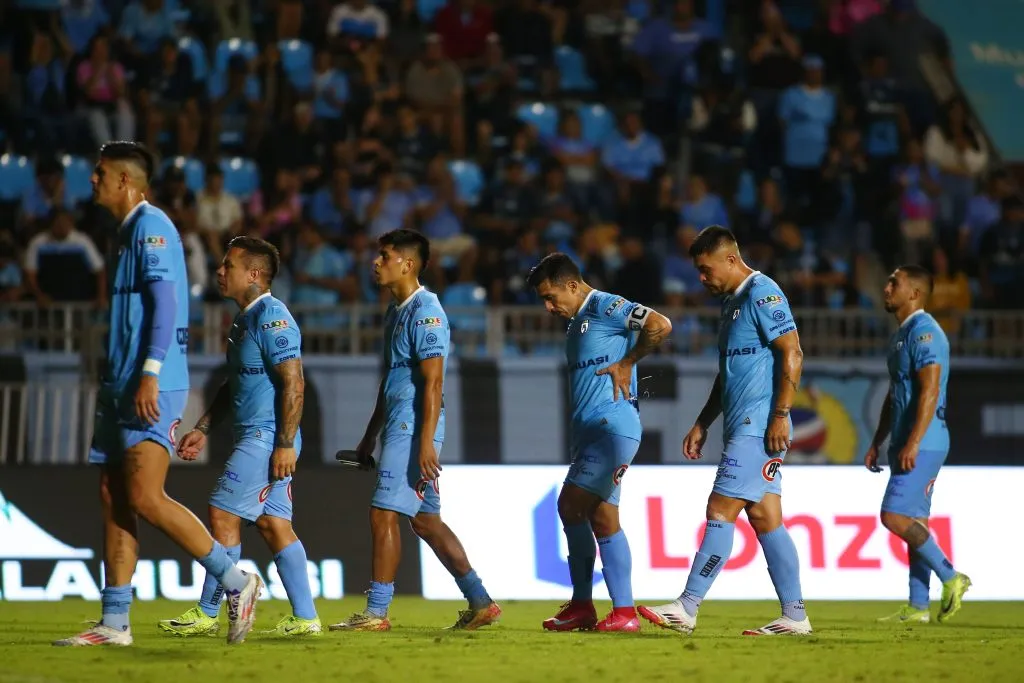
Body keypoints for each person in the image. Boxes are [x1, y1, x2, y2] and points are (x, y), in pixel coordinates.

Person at [54, 142, 261, 647]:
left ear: (126, 180)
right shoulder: (123, 234)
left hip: (152, 382)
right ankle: (116, 622)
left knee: (146, 495)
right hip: (119, 383)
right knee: (114, 496)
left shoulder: (152, 226)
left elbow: (167, 302)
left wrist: (149, 372)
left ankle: (237, 581)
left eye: (101, 173)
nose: (93, 180)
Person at [638, 225, 811, 636]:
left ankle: (687, 606)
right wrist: (702, 422)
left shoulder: (762, 293)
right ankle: (795, 616)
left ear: (731, 260)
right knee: (766, 518)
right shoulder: (731, 305)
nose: (701, 278)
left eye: (705, 268)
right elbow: (727, 375)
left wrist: (782, 413)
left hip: (758, 425)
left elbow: (793, 352)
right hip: (743, 424)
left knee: (719, 511)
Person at [329, 229, 501, 631]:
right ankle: (480, 602)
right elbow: (391, 379)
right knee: (425, 521)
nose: (376, 262)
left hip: (413, 428)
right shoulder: (396, 311)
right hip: (399, 425)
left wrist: (425, 443)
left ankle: (376, 613)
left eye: (384, 255)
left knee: (382, 512)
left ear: (407, 263)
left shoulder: (427, 311)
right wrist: (370, 435)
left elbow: (433, 383)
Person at [158, 236, 322, 637]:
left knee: (222, 513)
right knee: (273, 526)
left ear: (253, 274)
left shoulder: (273, 317)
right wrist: (202, 428)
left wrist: (284, 443)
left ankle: (210, 611)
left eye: (228, 265)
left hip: (268, 438)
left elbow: (294, 383)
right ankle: (306, 618)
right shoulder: (242, 319)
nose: (219, 270)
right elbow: (234, 386)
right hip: (258, 435)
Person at [528, 253, 673, 632]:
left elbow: (660, 325)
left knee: (570, 506)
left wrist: (628, 362)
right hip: (592, 432)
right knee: (603, 518)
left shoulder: (606, 306)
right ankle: (622, 613)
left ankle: (582, 605)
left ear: (573, 285)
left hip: (613, 427)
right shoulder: (577, 322)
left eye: (551, 296)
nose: (548, 307)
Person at [867, 265, 971, 623]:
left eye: (894, 282)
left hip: (924, 442)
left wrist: (912, 442)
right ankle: (917, 606)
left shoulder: (927, 333)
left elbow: (930, 390)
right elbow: (895, 393)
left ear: (914, 293)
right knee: (915, 522)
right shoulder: (902, 335)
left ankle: (951, 576)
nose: (886, 286)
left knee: (893, 516)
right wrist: (878, 440)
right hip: (906, 441)